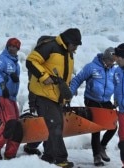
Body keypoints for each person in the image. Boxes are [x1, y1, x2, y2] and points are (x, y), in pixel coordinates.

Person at [26, 28, 82, 168]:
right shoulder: (50, 46)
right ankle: (60, 158)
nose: (76, 49)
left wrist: (66, 94)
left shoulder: (68, 53)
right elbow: (31, 61)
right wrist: (44, 77)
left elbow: (65, 77)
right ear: (68, 41)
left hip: (56, 97)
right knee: (55, 125)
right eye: (75, 45)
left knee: (56, 126)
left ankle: (48, 156)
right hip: (43, 94)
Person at [69, 47, 118, 166]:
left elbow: (117, 85)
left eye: (113, 62)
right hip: (92, 100)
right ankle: (96, 156)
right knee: (96, 127)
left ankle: (102, 146)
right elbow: (77, 80)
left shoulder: (113, 70)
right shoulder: (91, 67)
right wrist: (69, 93)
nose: (111, 64)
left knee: (113, 125)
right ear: (104, 58)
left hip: (105, 101)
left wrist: (117, 99)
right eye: (110, 61)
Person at [0, 37, 23, 160]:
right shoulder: (2, 59)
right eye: (11, 46)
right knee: (9, 122)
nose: (13, 48)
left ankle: (10, 154)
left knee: (17, 125)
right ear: (7, 46)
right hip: (1, 94)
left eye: (15, 46)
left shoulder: (16, 63)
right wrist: (2, 84)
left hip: (11, 97)